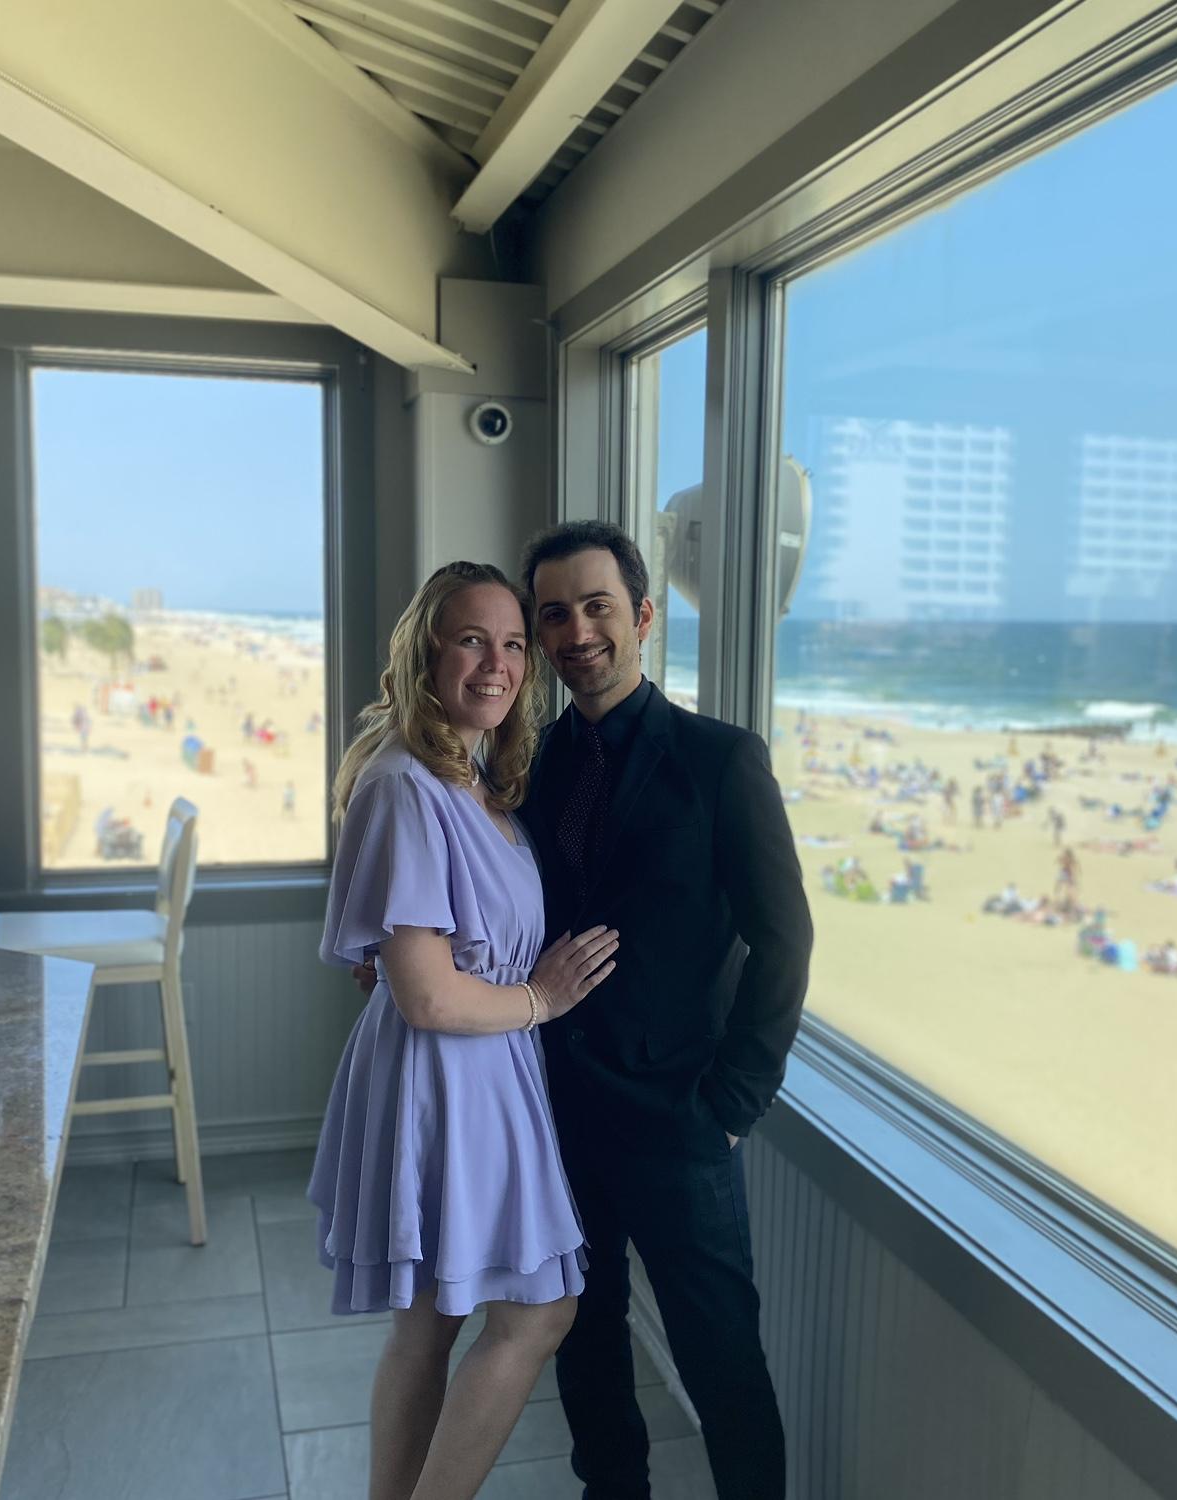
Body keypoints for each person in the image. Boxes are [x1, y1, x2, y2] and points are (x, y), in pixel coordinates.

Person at [306, 561, 620, 1500]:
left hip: (484, 1069)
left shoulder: (471, 774)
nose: (498, 664)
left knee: (433, 1320)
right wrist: (543, 999)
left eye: (514, 644)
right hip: (452, 1072)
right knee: (539, 1311)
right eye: (472, 641)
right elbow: (429, 999)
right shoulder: (408, 783)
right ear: (427, 653)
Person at [517, 522, 813, 1500]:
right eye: (555, 614)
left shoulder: (722, 761)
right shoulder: (533, 765)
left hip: (681, 1119)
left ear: (642, 616)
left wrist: (732, 1104)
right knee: (585, 1343)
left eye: (597, 606)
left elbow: (785, 940)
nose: (577, 632)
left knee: (723, 1364)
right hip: (559, 1115)